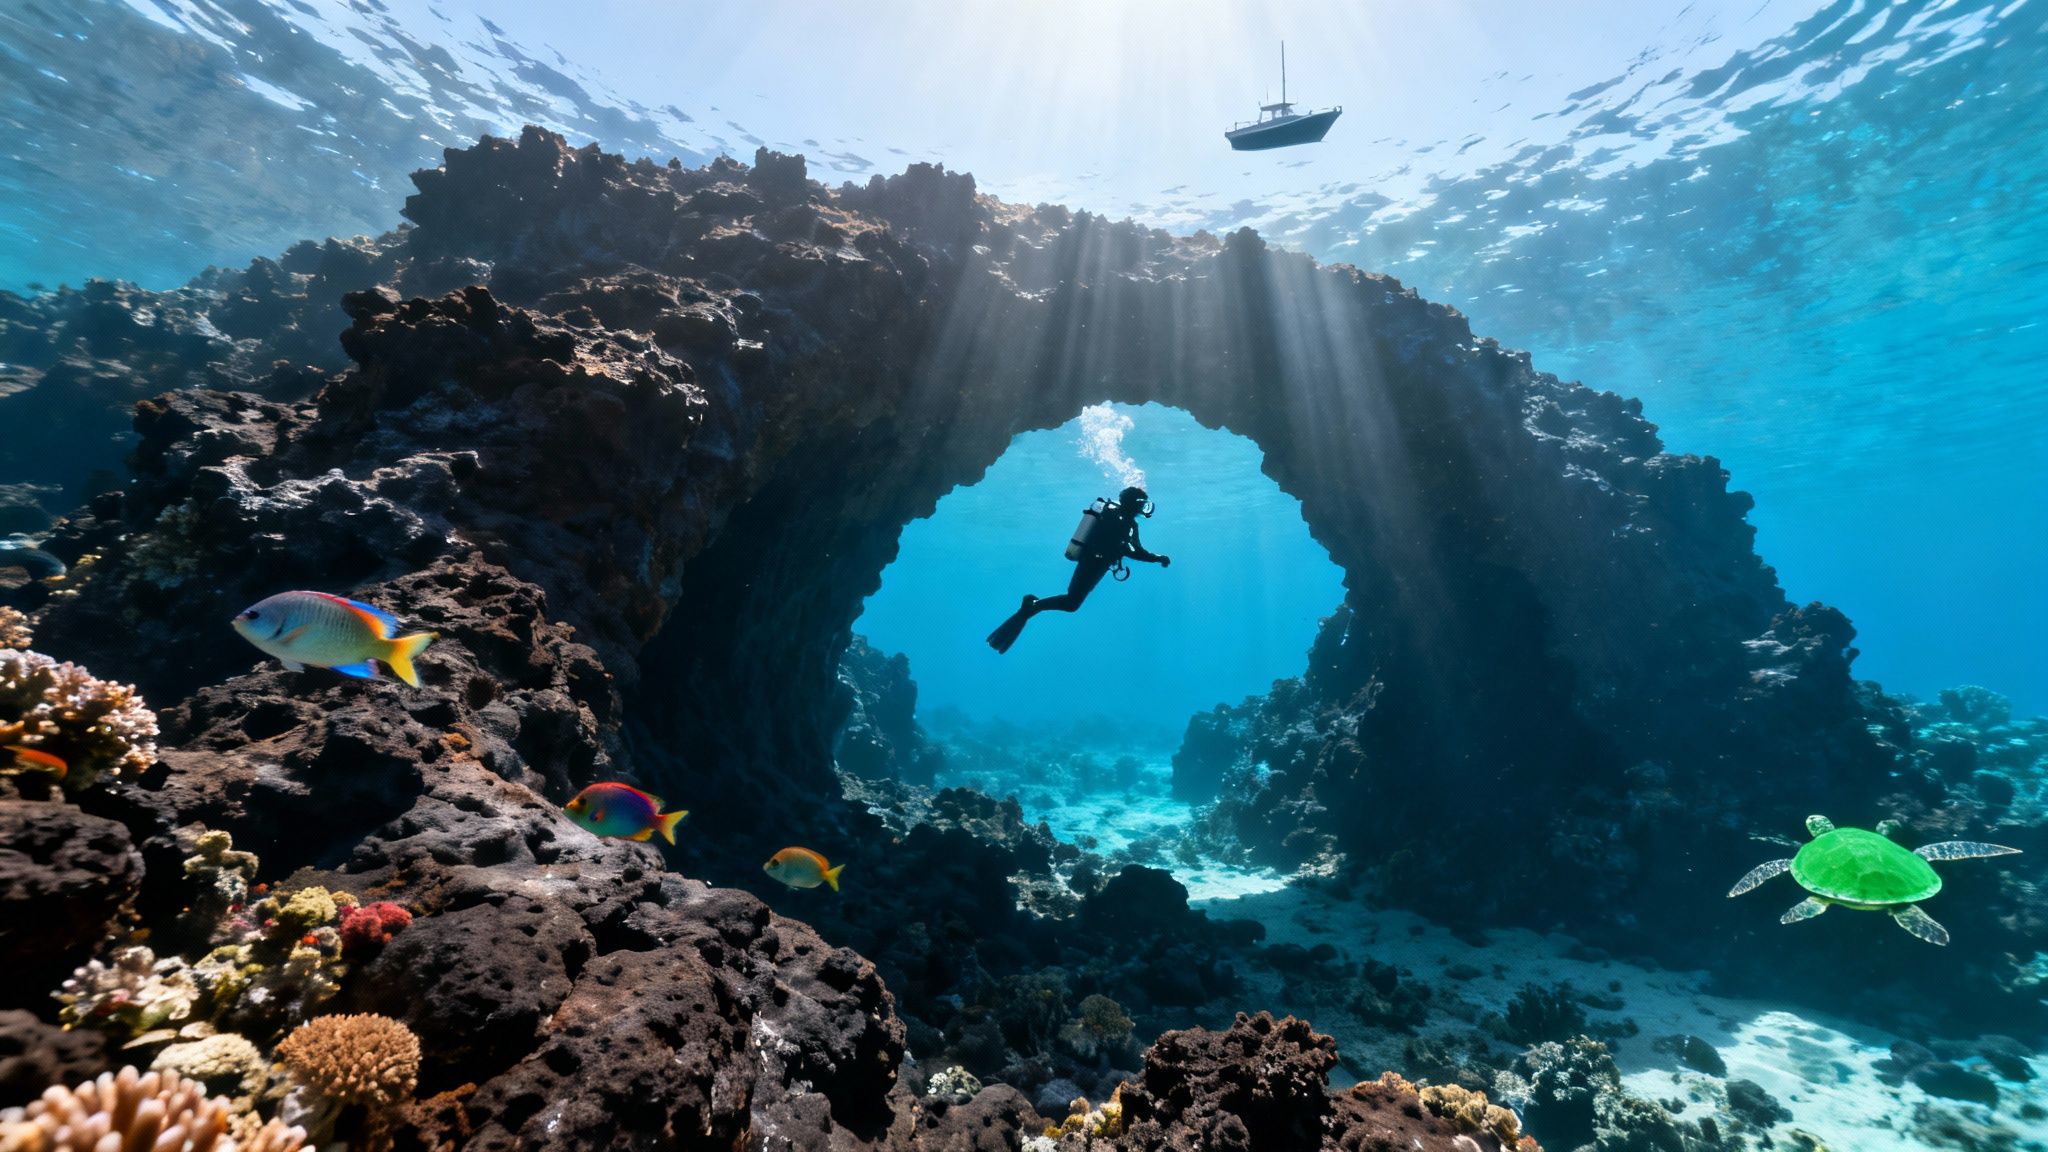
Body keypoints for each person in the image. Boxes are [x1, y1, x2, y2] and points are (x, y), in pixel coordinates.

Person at [986, 485, 1171, 654]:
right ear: (1134, 504)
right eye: (1142, 505)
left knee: (1071, 602)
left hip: (1096, 564)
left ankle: (1033, 606)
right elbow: (1132, 551)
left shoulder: (1125, 521)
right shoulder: (1120, 521)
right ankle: (1032, 605)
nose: (1143, 510)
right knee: (1071, 603)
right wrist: (1156, 558)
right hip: (1093, 563)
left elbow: (1134, 549)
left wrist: (1154, 557)